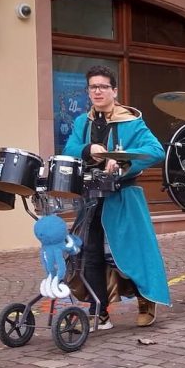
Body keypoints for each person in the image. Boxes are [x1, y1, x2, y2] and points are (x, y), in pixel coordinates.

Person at [64, 65, 170, 328]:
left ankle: (147, 300)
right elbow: (69, 149)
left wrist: (122, 163)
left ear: (114, 91)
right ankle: (98, 309)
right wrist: (89, 148)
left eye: (103, 86)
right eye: (92, 87)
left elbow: (155, 151)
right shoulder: (82, 122)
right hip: (91, 196)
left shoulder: (132, 121)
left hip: (123, 197)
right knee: (90, 252)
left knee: (132, 252)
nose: (97, 91)